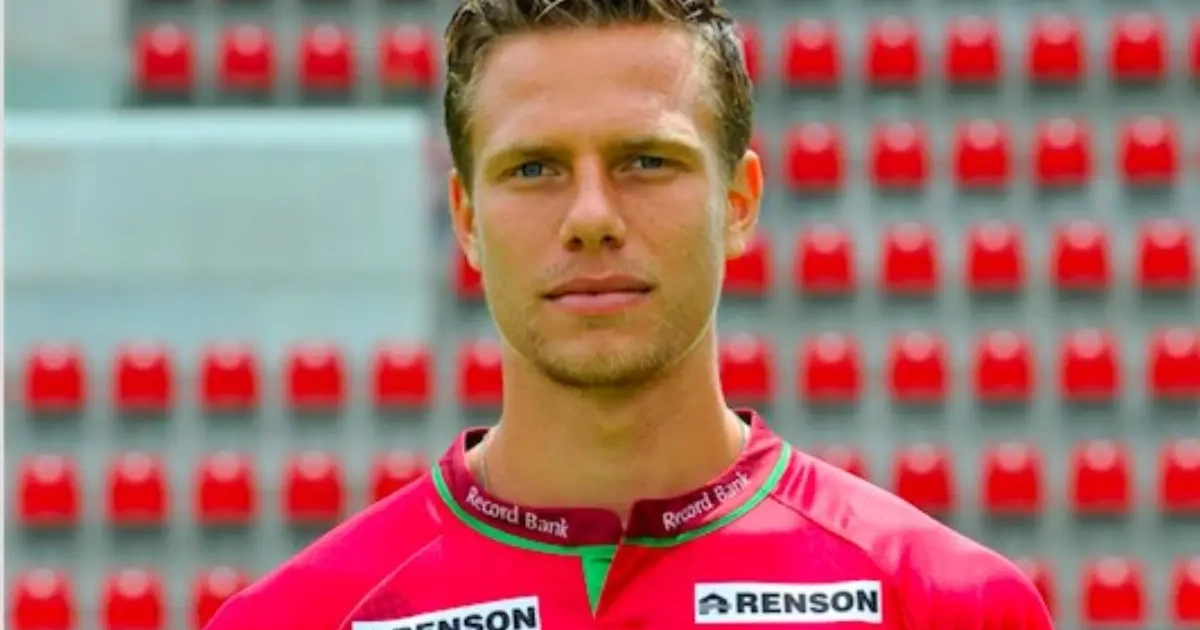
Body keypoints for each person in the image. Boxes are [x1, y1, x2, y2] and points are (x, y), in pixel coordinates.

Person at [206, 1, 1054, 628]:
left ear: (739, 201)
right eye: (534, 169)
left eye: (646, 161)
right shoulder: (297, 620)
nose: (591, 216)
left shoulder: (948, 604)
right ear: (465, 219)